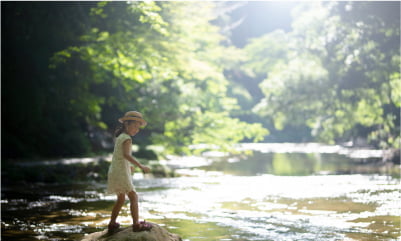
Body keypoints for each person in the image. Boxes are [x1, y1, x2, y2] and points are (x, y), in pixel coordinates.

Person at [107, 111, 153, 233]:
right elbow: (126, 155)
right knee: (133, 196)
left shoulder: (120, 136)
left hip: (115, 170)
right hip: (120, 171)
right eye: (135, 126)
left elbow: (118, 156)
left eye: (139, 127)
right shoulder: (126, 138)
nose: (137, 129)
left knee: (121, 198)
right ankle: (136, 225)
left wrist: (128, 167)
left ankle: (112, 223)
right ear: (127, 124)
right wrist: (140, 166)